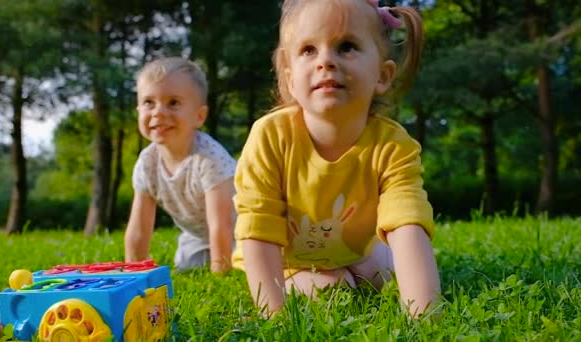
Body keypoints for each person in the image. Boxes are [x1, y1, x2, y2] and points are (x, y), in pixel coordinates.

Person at [232, 0, 440, 317]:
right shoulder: (270, 137)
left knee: (389, 272)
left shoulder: (394, 146)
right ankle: (322, 279)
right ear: (289, 79)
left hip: (353, 250)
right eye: (308, 50)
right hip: (283, 260)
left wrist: (425, 317)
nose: (325, 61)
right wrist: (273, 315)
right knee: (335, 288)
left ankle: (356, 270)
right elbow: (258, 230)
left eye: (346, 46)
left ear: (382, 75)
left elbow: (407, 226)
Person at [125, 57, 236, 274]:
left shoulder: (210, 159)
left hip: (239, 230)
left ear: (199, 116)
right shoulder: (147, 163)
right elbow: (139, 229)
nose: (158, 112)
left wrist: (220, 272)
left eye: (173, 103)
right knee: (187, 266)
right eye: (149, 102)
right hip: (197, 236)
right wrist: (133, 273)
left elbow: (221, 225)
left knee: (247, 261)